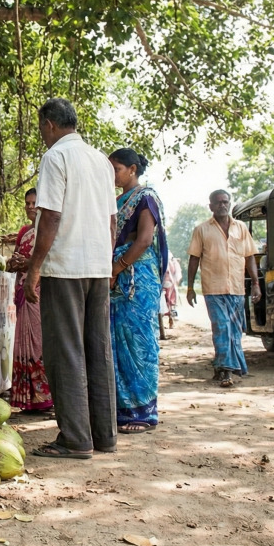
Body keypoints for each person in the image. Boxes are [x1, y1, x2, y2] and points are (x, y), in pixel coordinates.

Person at [22, 98, 118, 460]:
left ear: (49, 124)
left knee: (66, 351)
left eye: (40, 128)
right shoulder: (100, 161)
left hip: (65, 267)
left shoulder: (55, 157)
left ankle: (75, 438)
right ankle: (103, 435)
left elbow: (50, 217)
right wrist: (105, 262)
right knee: (98, 350)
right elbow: (111, 222)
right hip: (97, 265)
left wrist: (35, 267)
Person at [107, 148, 167, 434]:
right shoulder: (116, 200)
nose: (112, 174)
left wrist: (118, 267)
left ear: (132, 169)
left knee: (139, 342)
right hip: (116, 278)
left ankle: (144, 411)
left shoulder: (146, 198)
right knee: (118, 340)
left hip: (137, 277)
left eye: (116, 169)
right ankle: (122, 408)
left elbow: (143, 240)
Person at [186, 189, 261, 388]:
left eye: (225, 201)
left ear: (229, 203)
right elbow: (194, 258)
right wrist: (190, 287)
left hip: (237, 288)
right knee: (221, 327)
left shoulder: (241, 228)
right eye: (218, 202)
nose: (222, 205)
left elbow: (250, 256)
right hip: (213, 288)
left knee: (235, 330)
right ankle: (227, 371)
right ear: (210, 206)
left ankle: (221, 366)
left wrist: (255, 283)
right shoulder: (201, 230)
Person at [6, 188, 53, 414]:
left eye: (34, 203)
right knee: (22, 343)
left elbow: (49, 261)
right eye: (27, 203)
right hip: (22, 293)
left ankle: (46, 397)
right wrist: (14, 263)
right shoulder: (24, 232)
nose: (30, 207)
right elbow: (17, 257)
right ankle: (28, 398)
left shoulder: (49, 231)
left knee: (40, 344)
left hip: (41, 292)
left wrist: (27, 264)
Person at [161, 252, 182, 330]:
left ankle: (167, 320)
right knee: (171, 301)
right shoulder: (173, 262)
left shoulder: (162, 259)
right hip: (169, 283)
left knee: (166, 301)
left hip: (163, 283)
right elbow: (178, 275)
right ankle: (171, 320)